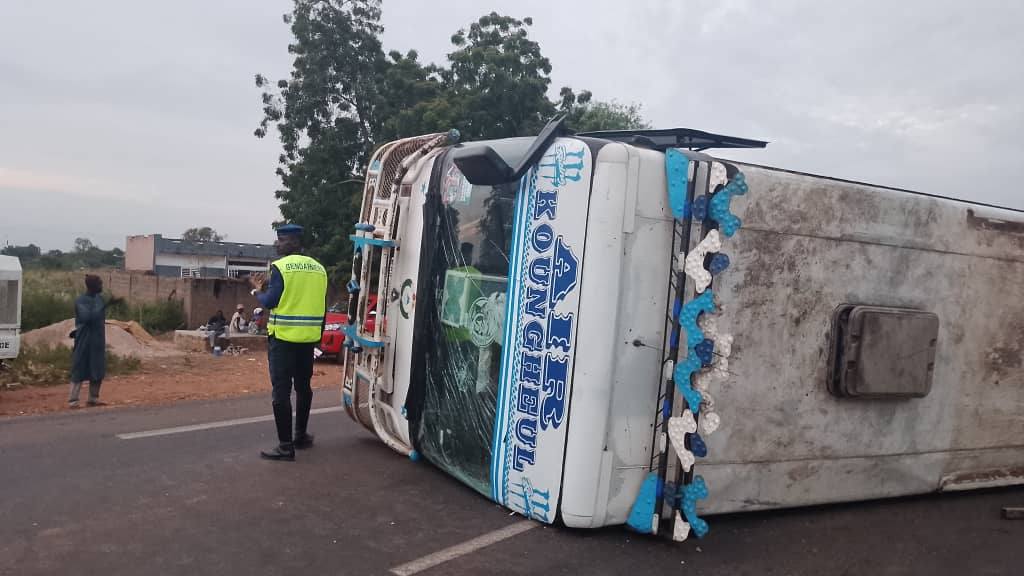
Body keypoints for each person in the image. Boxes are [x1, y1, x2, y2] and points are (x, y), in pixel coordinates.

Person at [250, 223, 328, 461]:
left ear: (293, 242)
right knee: (304, 388)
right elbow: (320, 305)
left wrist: (256, 291)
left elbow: (271, 301)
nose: (277, 244)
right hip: (308, 340)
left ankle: (285, 447)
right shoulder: (319, 269)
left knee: (281, 392)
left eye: (281, 240)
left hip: (283, 340)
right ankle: (300, 436)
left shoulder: (281, 267)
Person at [69, 275, 107, 408]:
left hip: (97, 340)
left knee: (98, 368)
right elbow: (86, 317)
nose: (102, 286)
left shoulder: (99, 299)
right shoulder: (81, 301)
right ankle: (73, 401)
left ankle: (93, 399)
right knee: (79, 367)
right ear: (92, 286)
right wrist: (100, 307)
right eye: (100, 284)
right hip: (84, 339)